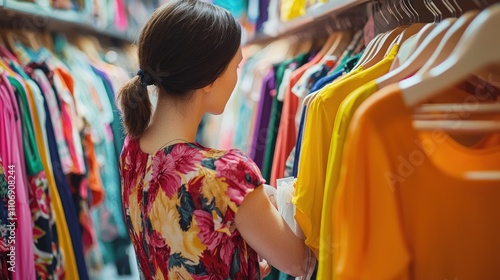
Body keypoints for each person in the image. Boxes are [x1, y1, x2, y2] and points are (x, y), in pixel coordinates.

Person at [117, 0, 311, 279]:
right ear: (209, 80)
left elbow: (181, 245)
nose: (236, 77)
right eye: (236, 67)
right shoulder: (225, 174)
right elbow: (300, 264)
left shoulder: (132, 152)